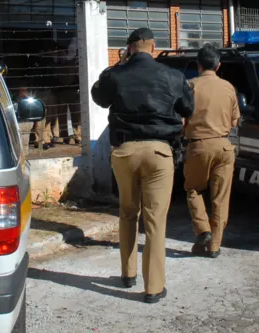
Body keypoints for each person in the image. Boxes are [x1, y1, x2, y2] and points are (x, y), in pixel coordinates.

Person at [91, 27, 194, 304]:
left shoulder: (117, 74)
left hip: (124, 152)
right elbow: (189, 108)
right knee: (155, 221)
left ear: (129, 48)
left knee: (127, 212)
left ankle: (128, 274)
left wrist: (119, 65)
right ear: (153, 45)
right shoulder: (173, 75)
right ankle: (153, 288)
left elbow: (98, 97)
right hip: (160, 152)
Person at [183, 44, 240, 258]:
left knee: (193, 190)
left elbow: (181, 120)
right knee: (220, 198)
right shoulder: (228, 87)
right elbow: (235, 120)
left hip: (198, 145)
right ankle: (214, 246)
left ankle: (202, 230)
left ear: (198, 65)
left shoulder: (190, 86)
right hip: (224, 146)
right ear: (218, 65)